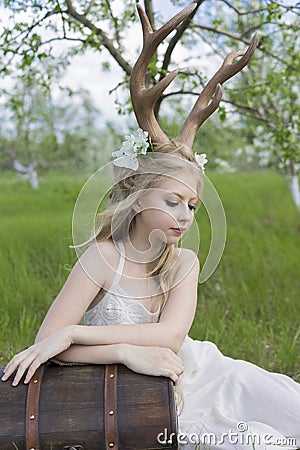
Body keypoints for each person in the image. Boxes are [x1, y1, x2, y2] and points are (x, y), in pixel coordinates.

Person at [1, 136, 300, 450]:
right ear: (140, 198)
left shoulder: (184, 261)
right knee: (264, 443)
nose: (185, 215)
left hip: (207, 371)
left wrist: (75, 332)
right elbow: (48, 343)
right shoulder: (102, 258)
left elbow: (170, 337)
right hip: (158, 395)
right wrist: (122, 353)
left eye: (192, 205)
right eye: (173, 201)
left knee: (292, 406)